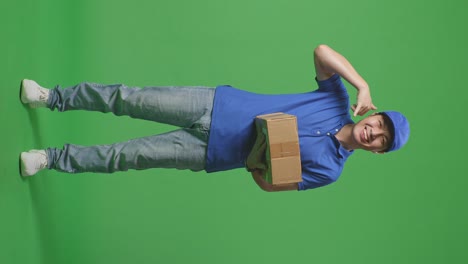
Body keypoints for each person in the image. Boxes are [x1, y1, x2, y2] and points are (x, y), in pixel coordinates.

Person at [19, 44, 410, 192]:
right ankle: (51, 97)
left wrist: (260, 161)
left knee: (128, 156)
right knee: (127, 98)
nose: (374, 132)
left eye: (381, 139)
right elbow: (323, 51)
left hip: (212, 153)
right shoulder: (335, 99)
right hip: (214, 104)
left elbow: (272, 186)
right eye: (380, 123)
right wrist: (361, 84)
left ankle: (51, 159)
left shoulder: (331, 171)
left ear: (377, 151)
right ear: (374, 115)